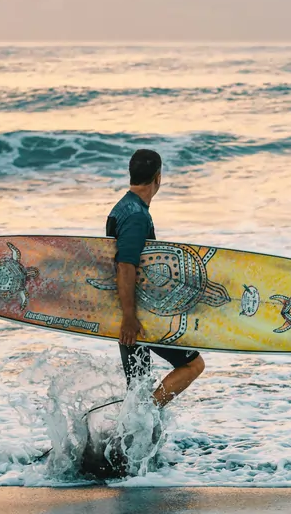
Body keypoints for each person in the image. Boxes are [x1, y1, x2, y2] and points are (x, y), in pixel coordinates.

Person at [106, 148, 205, 407]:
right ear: (158, 178)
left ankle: (131, 433)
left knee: (138, 386)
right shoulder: (137, 216)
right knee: (193, 364)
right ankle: (145, 415)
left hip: (129, 312)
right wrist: (129, 318)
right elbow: (125, 264)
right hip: (137, 317)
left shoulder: (124, 207)